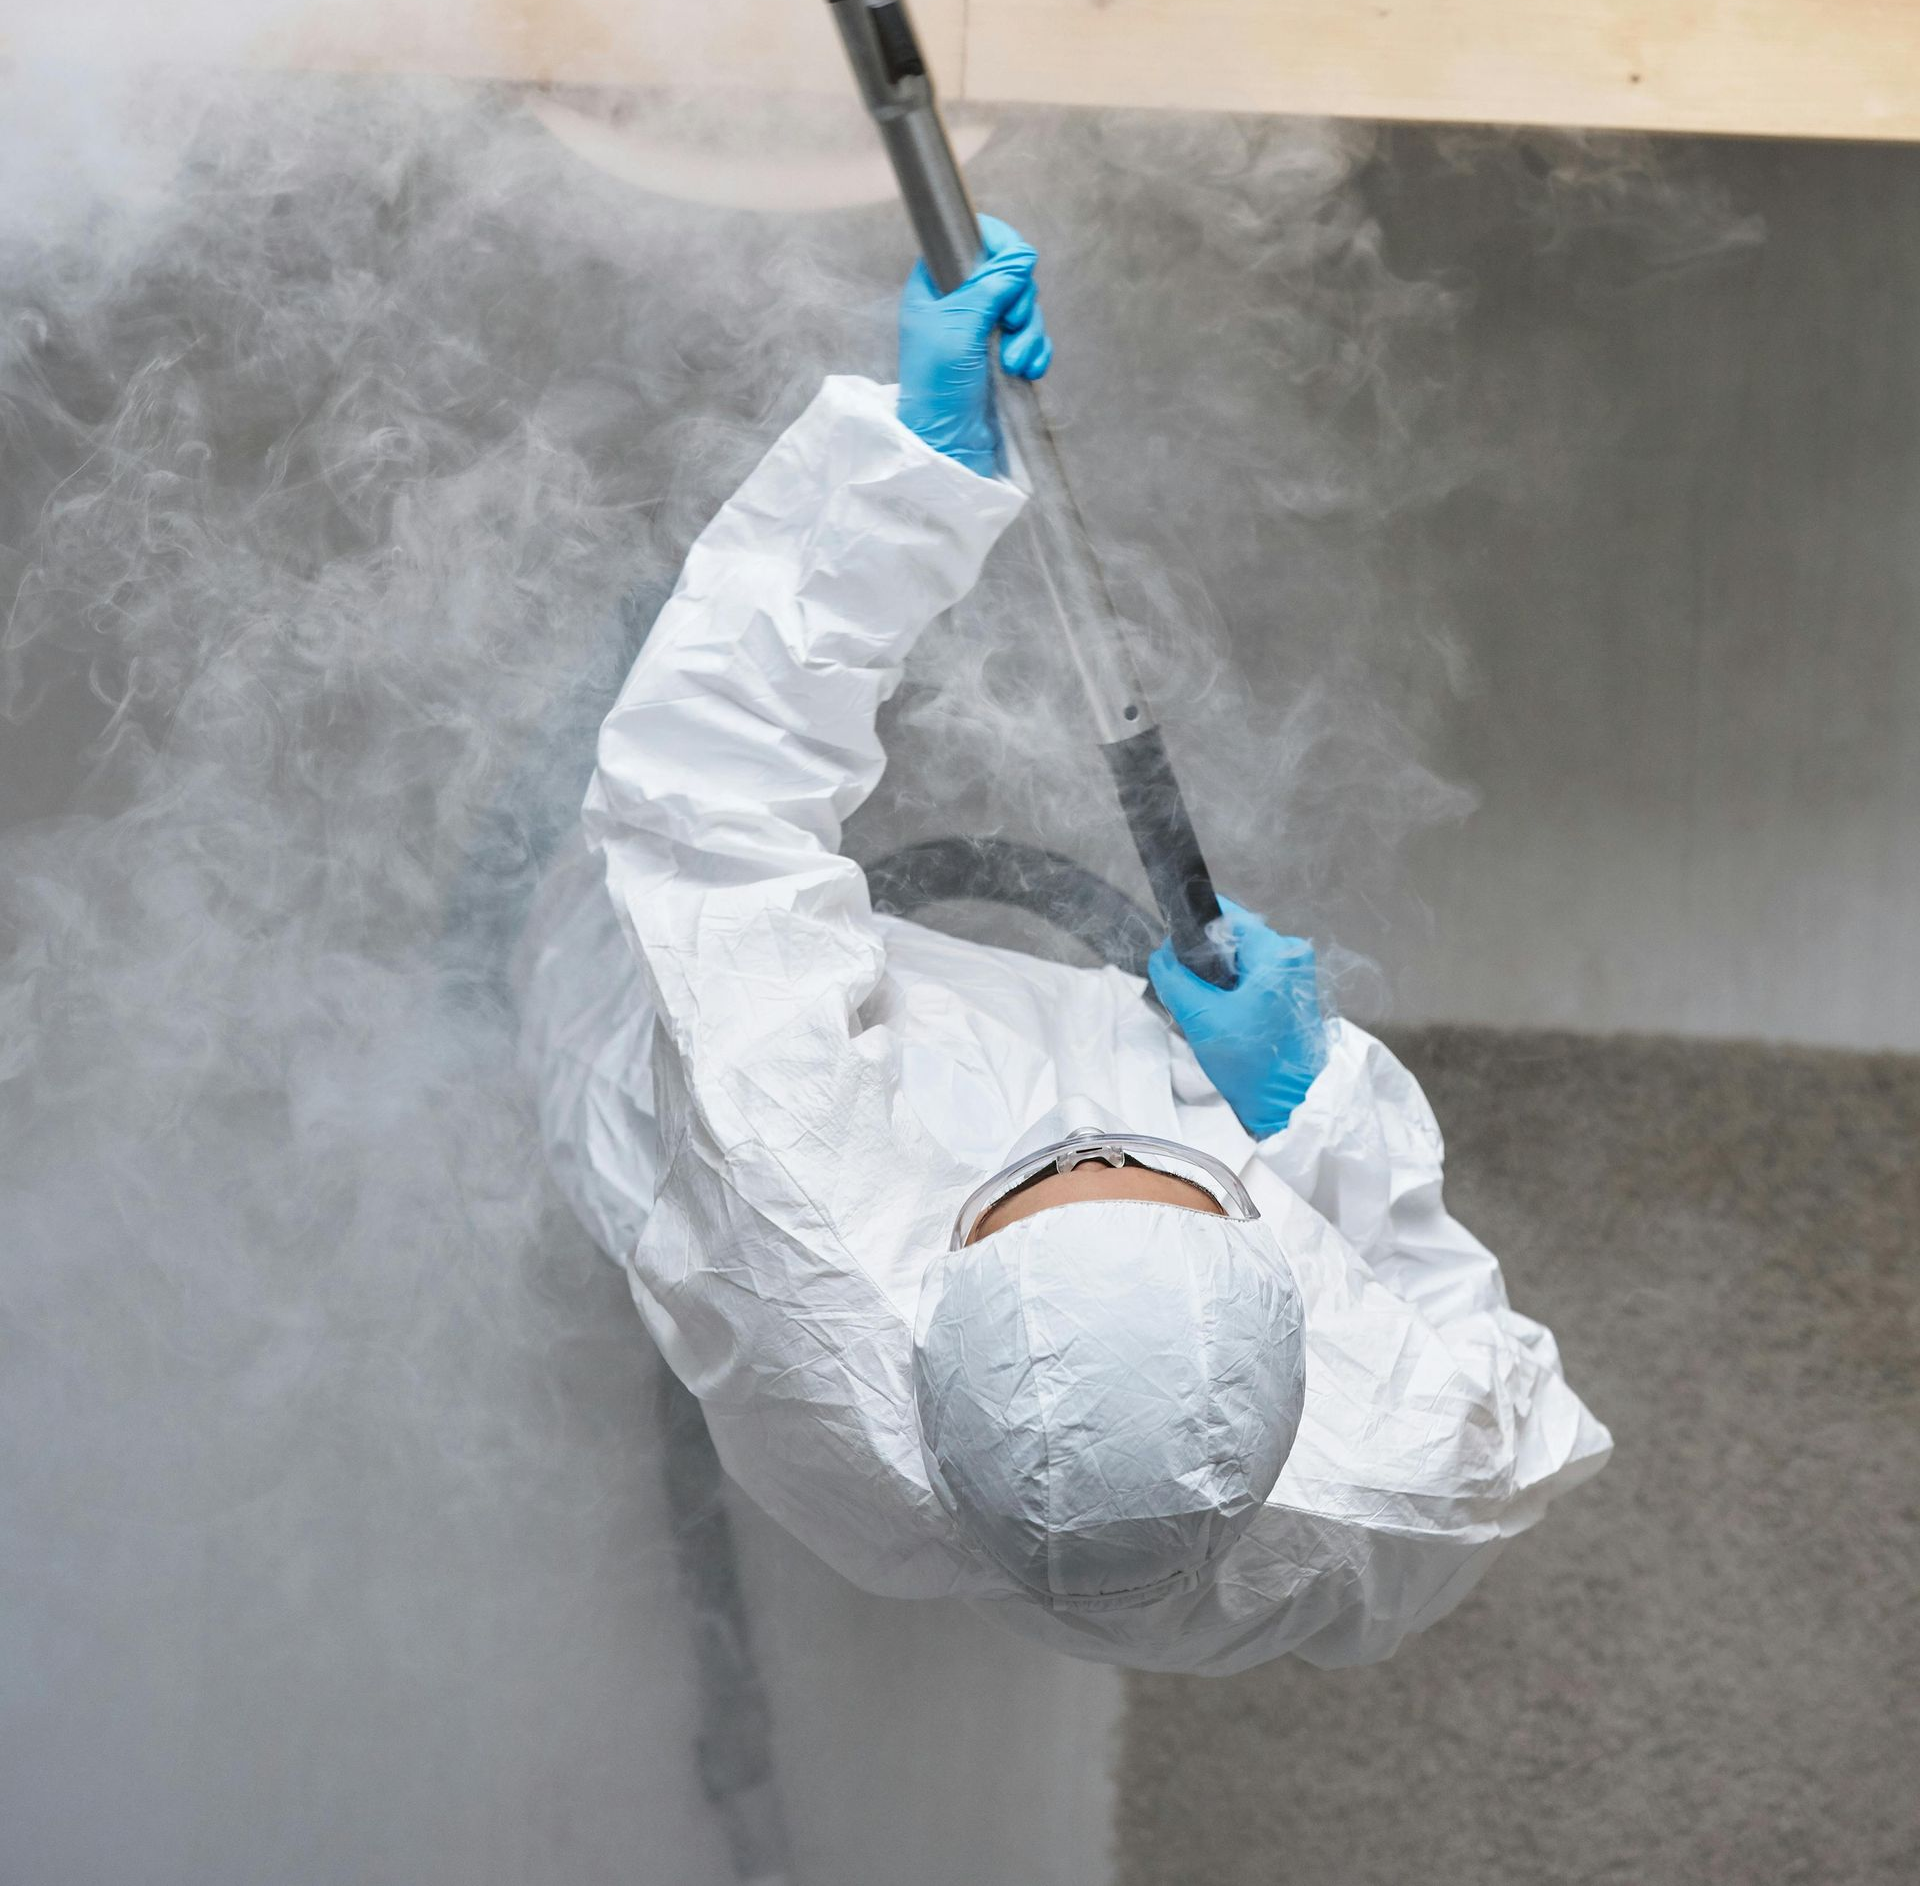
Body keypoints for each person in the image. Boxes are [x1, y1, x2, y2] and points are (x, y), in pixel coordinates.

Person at [520, 218, 1610, 1676]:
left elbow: (707, 799)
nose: (1098, 1135)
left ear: (945, 1276)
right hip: (992, 1172)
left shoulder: (792, 1172)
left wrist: (909, 471)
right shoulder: (1379, 1486)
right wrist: (1313, 1105)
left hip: (632, 1018)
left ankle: (500, 893)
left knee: (609, 826)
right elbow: (1504, 1419)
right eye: (1148, 1161)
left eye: (1062, 1167)